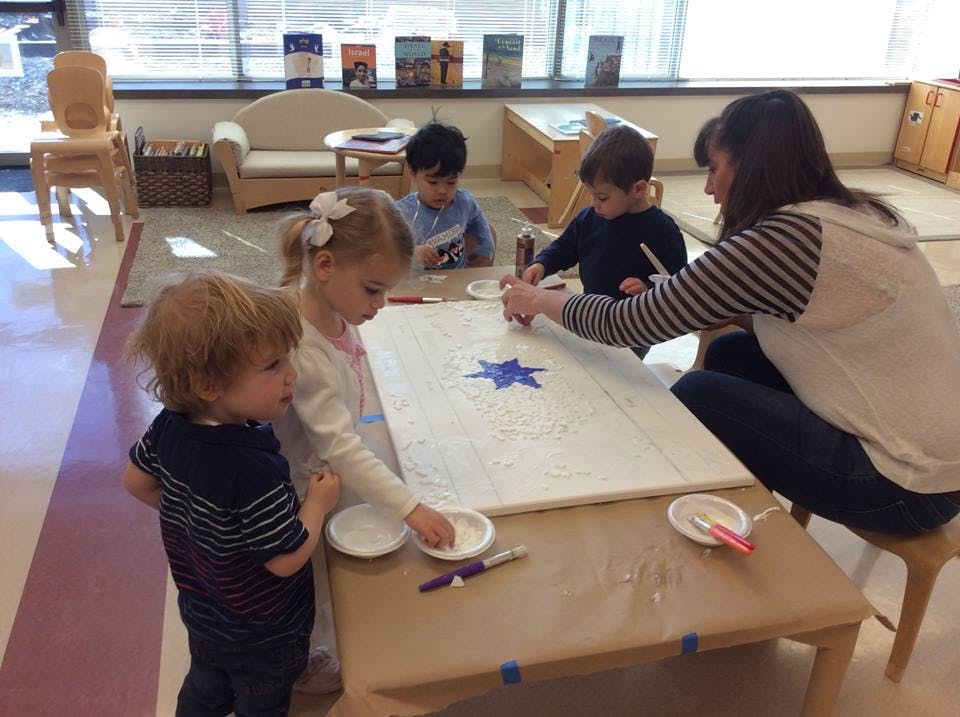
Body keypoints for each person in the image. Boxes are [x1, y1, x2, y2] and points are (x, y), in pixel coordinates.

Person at [499, 89, 960, 534]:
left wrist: (540, 299)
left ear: (754, 166)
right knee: (731, 354)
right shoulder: (845, 213)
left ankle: (698, 514)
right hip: (931, 455)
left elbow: (629, 322)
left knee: (700, 391)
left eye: (715, 168)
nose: (707, 187)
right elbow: (817, 321)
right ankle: (739, 490)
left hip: (907, 482)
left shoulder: (785, 239)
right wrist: (728, 311)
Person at [122, 273, 343, 715]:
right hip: (266, 632)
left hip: (204, 607)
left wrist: (199, 524)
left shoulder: (169, 423)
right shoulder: (252, 467)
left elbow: (136, 481)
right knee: (260, 700)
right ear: (208, 385)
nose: (291, 374)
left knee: (205, 684)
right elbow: (284, 559)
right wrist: (317, 505)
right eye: (272, 366)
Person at [275, 188, 456, 548]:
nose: (381, 303)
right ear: (325, 265)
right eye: (373, 290)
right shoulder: (304, 351)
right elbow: (338, 447)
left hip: (331, 467)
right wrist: (411, 508)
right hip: (304, 490)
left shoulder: (333, 305)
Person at [521, 124, 685, 358]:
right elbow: (565, 247)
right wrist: (542, 264)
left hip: (632, 330)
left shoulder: (664, 231)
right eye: (590, 193)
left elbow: (677, 287)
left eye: (603, 197)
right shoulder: (589, 217)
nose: (595, 203)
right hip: (588, 316)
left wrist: (648, 290)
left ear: (639, 189)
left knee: (619, 378)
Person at [396, 123, 495, 270]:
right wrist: (412, 252)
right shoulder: (401, 211)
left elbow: (478, 222)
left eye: (451, 182)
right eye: (433, 182)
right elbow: (387, 249)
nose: (442, 190)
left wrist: (486, 246)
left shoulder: (464, 202)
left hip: (457, 280)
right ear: (412, 172)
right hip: (419, 284)